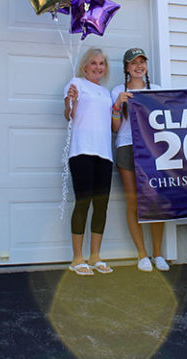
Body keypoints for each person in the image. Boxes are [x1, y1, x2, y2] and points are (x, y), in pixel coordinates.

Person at [111, 47, 166, 272]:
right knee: (133, 200)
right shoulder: (117, 90)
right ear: (126, 67)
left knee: (155, 201)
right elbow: (115, 128)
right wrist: (117, 104)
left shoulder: (158, 90)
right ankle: (141, 254)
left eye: (142, 62)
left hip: (153, 150)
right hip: (127, 146)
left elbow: (178, 106)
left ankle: (158, 254)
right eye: (134, 62)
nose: (138, 66)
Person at [64, 47, 114, 276]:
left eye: (101, 63)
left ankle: (95, 256)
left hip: (104, 154)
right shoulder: (76, 83)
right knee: (83, 202)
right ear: (85, 66)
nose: (97, 67)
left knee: (101, 205)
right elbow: (69, 114)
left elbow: (114, 122)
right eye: (93, 63)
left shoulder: (106, 93)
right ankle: (77, 258)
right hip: (82, 151)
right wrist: (71, 101)